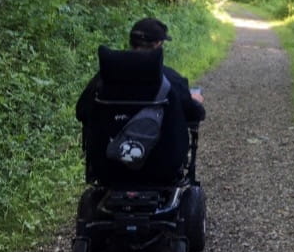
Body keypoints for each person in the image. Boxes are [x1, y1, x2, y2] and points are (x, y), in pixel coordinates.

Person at [76, 17, 205, 182]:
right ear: (158, 44)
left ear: (131, 42)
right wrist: (194, 100)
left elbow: (81, 112)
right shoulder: (171, 80)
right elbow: (195, 114)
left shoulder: (104, 79)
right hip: (161, 168)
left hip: (109, 168)